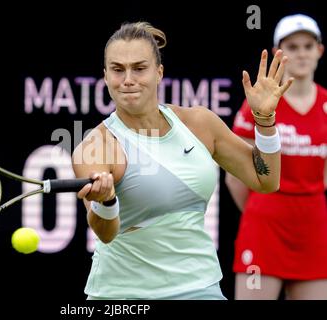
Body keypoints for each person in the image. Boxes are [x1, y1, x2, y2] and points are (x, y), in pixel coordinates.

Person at [72, 21, 292, 300]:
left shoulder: (199, 123)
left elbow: (266, 180)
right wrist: (106, 201)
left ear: (159, 72)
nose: (128, 79)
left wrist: (264, 122)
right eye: (118, 69)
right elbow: (105, 233)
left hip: (201, 289)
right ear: (105, 76)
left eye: (139, 68)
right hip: (123, 297)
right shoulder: (95, 147)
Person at [226, 13, 327, 300]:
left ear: (319, 51)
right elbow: (235, 175)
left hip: (313, 227)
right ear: (277, 54)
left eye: (308, 46)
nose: (302, 54)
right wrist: (262, 213)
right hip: (264, 227)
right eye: (293, 47)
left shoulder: (326, 104)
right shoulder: (258, 105)